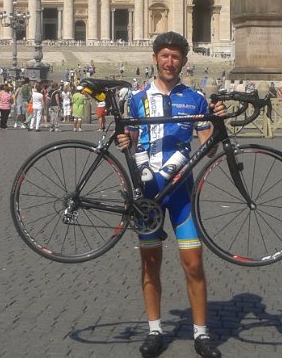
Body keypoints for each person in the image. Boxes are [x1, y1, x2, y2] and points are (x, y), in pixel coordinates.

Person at [116, 31, 224, 358]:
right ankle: (154, 329)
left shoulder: (195, 99)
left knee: (194, 264)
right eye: (164, 55)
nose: (169, 61)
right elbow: (130, 137)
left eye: (175, 56)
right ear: (155, 59)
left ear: (184, 62)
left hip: (181, 193)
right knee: (150, 264)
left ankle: (202, 334)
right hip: (148, 193)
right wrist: (125, 140)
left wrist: (216, 125)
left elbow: (208, 147)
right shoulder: (137, 98)